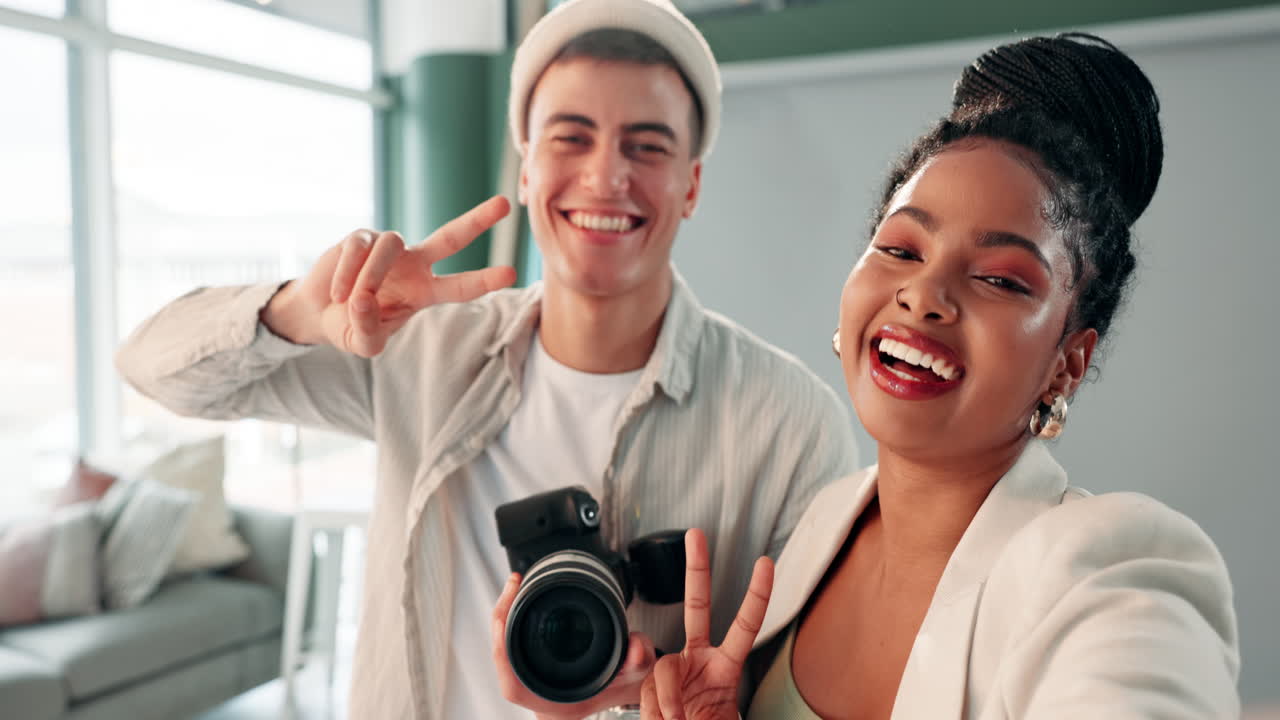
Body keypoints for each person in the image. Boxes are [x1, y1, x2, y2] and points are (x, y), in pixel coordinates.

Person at [114, 0, 858, 718]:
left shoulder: (790, 424)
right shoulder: (416, 352)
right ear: (526, 172)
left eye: (647, 144)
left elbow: (822, 693)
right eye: (571, 137)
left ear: (690, 183)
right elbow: (152, 367)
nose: (606, 177)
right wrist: (297, 313)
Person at [633, 33, 1240, 720]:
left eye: (1000, 279)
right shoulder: (821, 528)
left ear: (1067, 361)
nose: (924, 295)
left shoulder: (1109, 574)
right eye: (899, 248)